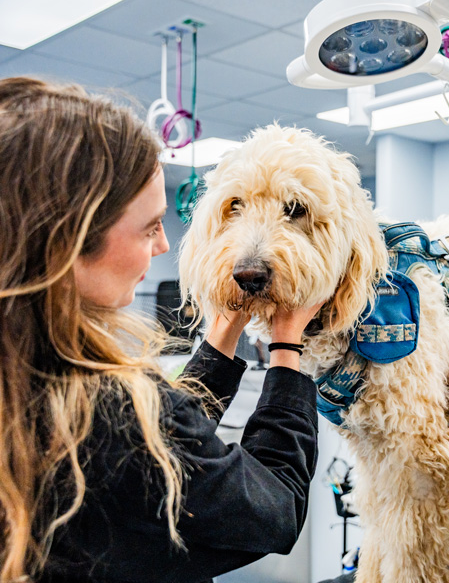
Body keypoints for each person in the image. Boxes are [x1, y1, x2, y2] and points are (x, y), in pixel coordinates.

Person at [0, 77, 323, 582]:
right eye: (150, 227)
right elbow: (273, 510)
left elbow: (168, 446)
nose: (162, 247)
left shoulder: (29, 379)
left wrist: (221, 339)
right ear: (72, 236)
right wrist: (286, 347)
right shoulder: (106, 409)